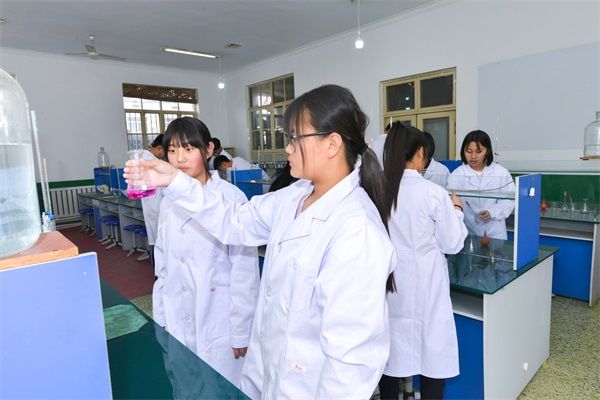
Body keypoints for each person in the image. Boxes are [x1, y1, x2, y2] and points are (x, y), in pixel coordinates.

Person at [124, 84, 397, 399]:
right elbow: (234, 221)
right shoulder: (294, 196)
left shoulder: (356, 230)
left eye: (294, 138)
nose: (288, 149)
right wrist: (173, 180)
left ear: (332, 144)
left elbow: (351, 361)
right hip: (268, 375)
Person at [152, 117, 259, 388]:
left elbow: (245, 273)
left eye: (188, 149)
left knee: (221, 388)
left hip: (218, 320)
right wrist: (161, 315)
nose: (179, 159)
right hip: (177, 315)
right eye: (172, 150)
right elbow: (162, 263)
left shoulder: (231, 198)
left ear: (209, 149)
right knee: (185, 386)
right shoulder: (168, 201)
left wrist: (240, 330)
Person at [380, 122, 467, 400]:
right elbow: (452, 243)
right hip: (427, 287)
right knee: (432, 356)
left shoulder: (380, 192)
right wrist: (457, 210)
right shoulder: (433, 194)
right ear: (420, 152)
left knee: (391, 355)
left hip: (391, 286)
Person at [446, 130, 515, 240]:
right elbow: (450, 204)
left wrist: (492, 212)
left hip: (495, 231)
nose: (473, 156)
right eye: (468, 151)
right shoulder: (456, 175)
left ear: (487, 151)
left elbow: (509, 200)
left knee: (497, 251)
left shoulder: (501, 172)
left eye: (479, 152)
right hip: (468, 231)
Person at [141, 134, 165, 267]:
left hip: (152, 206)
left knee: (156, 241)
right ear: (160, 148)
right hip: (156, 207)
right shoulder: (151, 162)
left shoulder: (146, 158)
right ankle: (158, 273)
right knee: (159, 243)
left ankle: (158, 272)